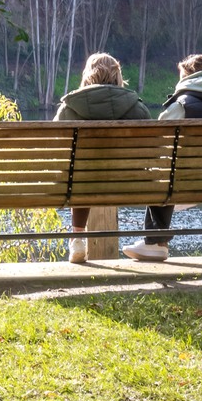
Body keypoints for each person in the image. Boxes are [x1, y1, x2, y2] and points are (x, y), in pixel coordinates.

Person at [126, 54, 202, 260]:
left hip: (184, 184)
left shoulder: (181, 106)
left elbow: (158, 150)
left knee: (162, 170)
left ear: (188, 77)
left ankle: (155, 240)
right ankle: (155, 240)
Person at [55, 53, 149, 262]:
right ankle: (155, 241)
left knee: (79, 174)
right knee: (82, 174)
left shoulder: (69, 107)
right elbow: (155, 150)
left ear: (88, 75)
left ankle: (77, 239)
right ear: (117, 75)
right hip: (132, 185)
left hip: (79, 184)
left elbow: (56, 150)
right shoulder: (137, 107)